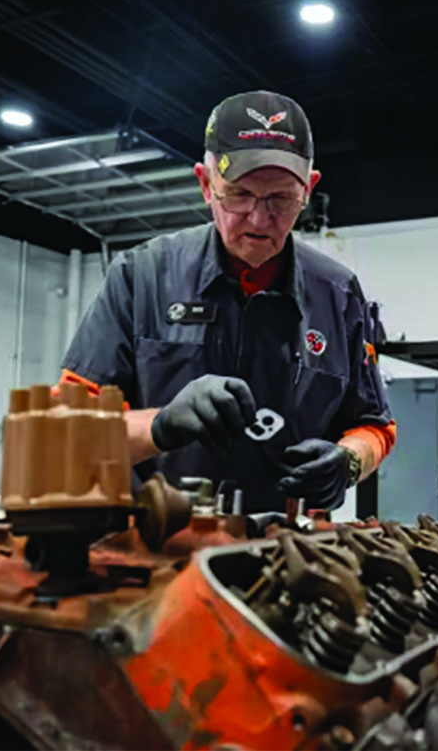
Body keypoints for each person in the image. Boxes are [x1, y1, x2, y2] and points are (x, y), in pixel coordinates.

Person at [57, 91, 395, 514]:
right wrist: (159, 425)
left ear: (308, 190)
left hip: (289, 553)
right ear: (205, 184)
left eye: (280, 199)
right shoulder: (140, 276)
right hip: (155, 548)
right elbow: (69, 432)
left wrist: (347, 462)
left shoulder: (339, 294)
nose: (258, 218)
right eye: (238, 194)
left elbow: (374, 426)